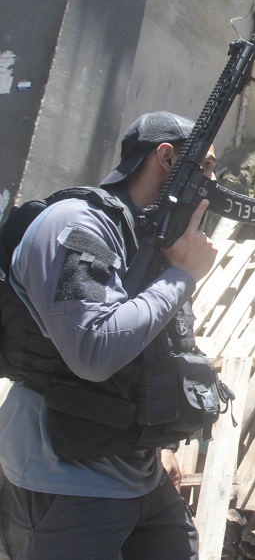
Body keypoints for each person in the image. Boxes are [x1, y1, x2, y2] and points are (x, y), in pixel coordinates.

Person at [0, 111, 220, 559]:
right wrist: (181, 276)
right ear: (166, 157)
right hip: (62, 476)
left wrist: (157, 447)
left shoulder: (149, 238)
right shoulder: (76, 225)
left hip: (137, 470)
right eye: (209, 166)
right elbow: (94, 352)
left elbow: (154, 352)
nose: (214, 182)